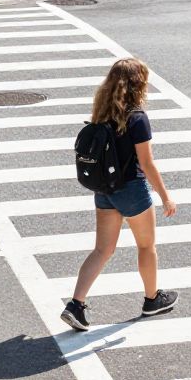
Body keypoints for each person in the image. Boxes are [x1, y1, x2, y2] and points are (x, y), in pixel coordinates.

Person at [61, 58, 178, 331]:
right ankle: (152, 300)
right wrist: (165, 196)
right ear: (139, 84)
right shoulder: (137, 118)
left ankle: (76, 305)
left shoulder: (102, 114)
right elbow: (146, 164)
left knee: (102, 250)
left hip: (105, 190)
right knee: (146, 246)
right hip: (132, 191)